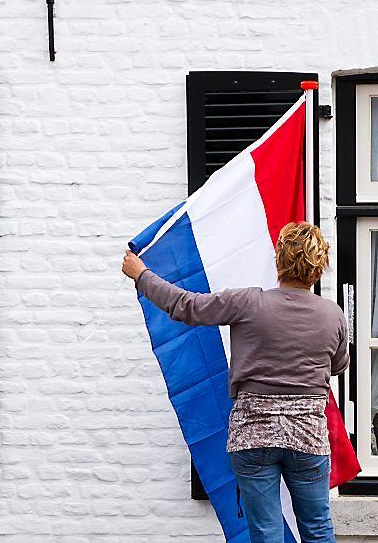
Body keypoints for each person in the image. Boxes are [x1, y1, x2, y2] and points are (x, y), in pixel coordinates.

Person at [121, 222, 348, 543]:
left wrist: (142, 275)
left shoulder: (248, 302)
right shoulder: (333, 315)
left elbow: (187, 306)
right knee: (318, 529)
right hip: (308, 440)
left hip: (252, 439)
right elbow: (337, 365)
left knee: (266, 533)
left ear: (279, 260)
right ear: (319, 266)